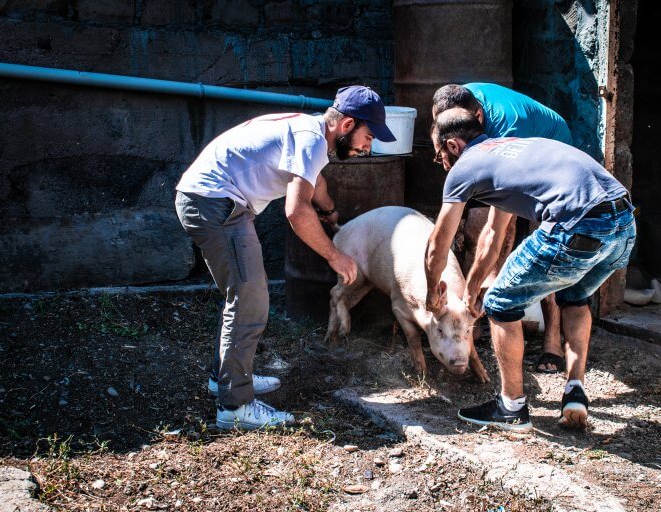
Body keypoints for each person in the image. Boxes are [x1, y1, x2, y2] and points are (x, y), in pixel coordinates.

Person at [175, 86, 395, 430]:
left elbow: (315, 181)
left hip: (210, 199)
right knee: (249, 300)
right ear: (348, 124)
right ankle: (235, 407)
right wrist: (335, 256)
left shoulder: (310, 132)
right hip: (215, 203)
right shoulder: (310, 139)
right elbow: (295, 211)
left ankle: (227, 379)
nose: (368, 148)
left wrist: (330, 211)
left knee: (243, 296)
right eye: (368, 137)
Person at [424, 108, 635, 431]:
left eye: (440, 158)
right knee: (575, 295)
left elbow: (439, 243)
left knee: (500, 305)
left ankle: (511, 407)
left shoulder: (464, 167)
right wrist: (469, 289)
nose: (443, 166)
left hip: (576, 224)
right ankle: (575, 389)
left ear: (452, 145)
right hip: (623, 222)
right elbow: (492, 237)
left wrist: (430, 294)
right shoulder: (508, 152)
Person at [432, 83, 572, 374]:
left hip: (549, 163)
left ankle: (552, 340)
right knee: (476, 228)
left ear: (478, 117)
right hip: (498, 157)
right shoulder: (454, 104)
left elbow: (499, 234)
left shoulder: (509, 128)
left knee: (545, 245)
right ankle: (474, 317)